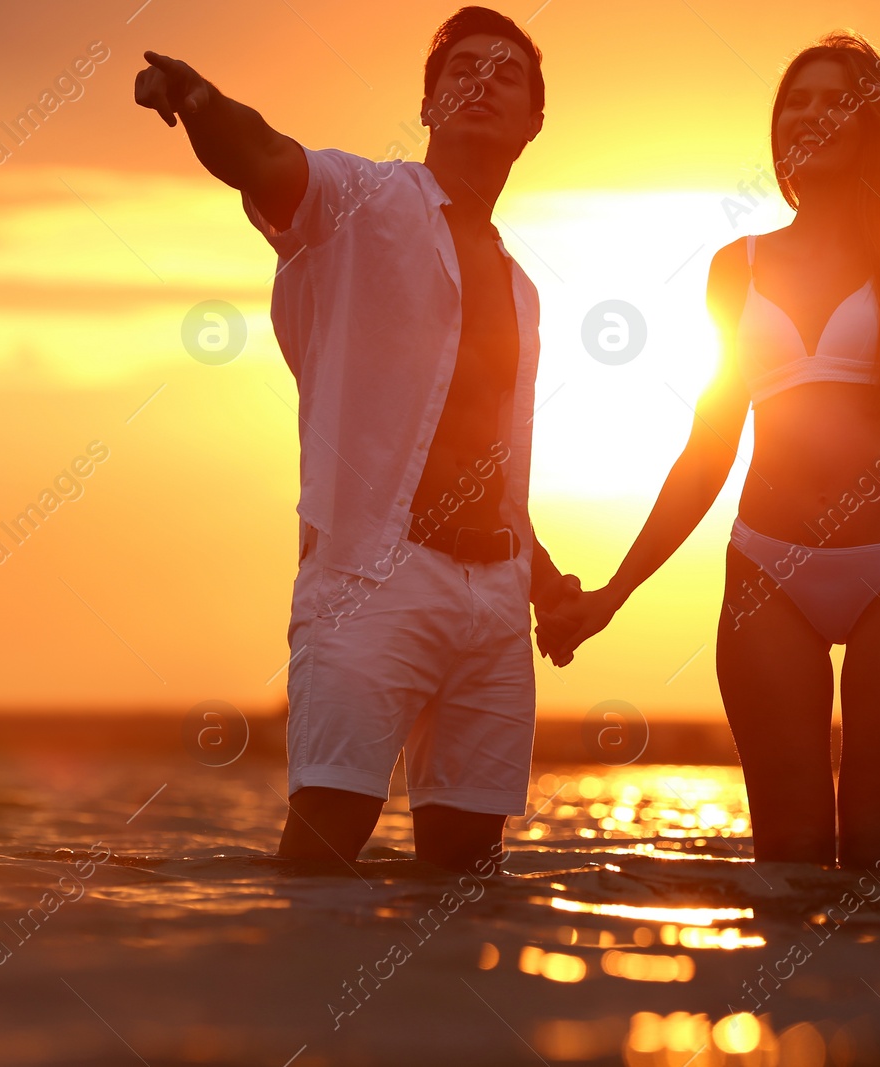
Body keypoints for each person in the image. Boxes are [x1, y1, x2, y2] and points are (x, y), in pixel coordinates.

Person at [536, 32, 880, 877]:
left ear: (876, 124)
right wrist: (615, 588)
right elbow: (710, 443)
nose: (812, 113)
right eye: (797, 100)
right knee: (787, 863)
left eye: (837, 100)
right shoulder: (736, 265)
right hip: (768, 574)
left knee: (878, 863)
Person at [135, 7, 578, 872]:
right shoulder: (360, 201)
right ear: (425, 107)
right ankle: (294, 1007)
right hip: (371, 582)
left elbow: (484, 460)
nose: (481, 80)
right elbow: (262, 156)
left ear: (534, 124)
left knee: (464, 884)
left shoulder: (523, 289)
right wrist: (196, 98)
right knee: (322, 851)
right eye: (461, 70)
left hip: (494, 604)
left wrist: (541, 574)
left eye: (506, 73)